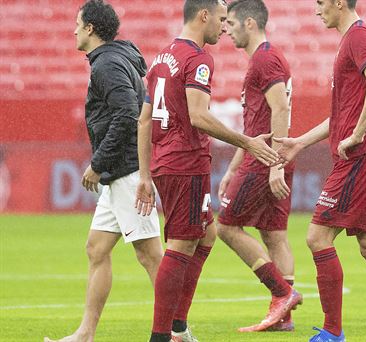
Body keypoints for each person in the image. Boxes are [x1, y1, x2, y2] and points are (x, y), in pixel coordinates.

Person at [134, 1, 291, 341]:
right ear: (203, 15)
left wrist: (145, 175)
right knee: (180, 244)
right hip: (185, 161)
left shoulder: (162, 58)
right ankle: (163, 334)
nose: (223, 26)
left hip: (165, 161)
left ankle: (178, 326)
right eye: (220, 19)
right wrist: (247, 142)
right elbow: (198, 116)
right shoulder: (198, 59)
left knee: (205, 233)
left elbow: (145, 119)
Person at [274, 1, 366, 341]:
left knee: (317, 237)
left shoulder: (359, 37)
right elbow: (345, 112)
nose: (317, 10)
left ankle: (332, 331)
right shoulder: (353, 39)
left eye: (320, 3)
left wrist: (359, 133)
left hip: (362, 153)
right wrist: (301, 142)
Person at [45, 1, 164, 341]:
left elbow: (127, 114)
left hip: (125, 171)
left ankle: (176, 330)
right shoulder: (116, 58)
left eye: (77, 23)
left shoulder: (107, 65)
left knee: (150, 255)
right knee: (97, 248)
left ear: (91, 29)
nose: (73, 30)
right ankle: (85, 333)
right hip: (119, 173)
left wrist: (98, 164)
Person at [218, 0, 301, 333]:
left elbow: (280, 108)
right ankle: (285, 317)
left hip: (266, 159)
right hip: (267, 155)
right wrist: (231, 169)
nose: (227, 29)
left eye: (232, 24)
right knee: (274, 235)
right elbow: (256, 126)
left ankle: (282, 294)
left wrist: (275, 163)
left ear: (250, 23)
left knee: (225, 227)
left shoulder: (264, 59)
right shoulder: (267, 58)